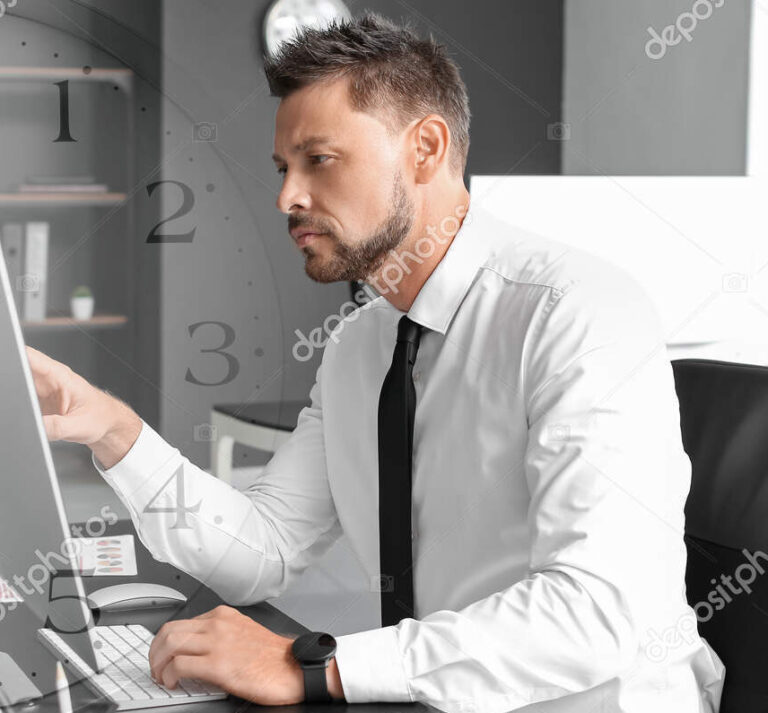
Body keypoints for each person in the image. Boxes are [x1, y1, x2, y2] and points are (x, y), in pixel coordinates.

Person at [27, 12, 725, 712]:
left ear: (424, 148)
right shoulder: (361, 344)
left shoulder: (575, 311)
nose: (286, 197)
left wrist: (313, 667)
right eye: (282, 168)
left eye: (319, 160)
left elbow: (599, 611)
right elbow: (264, 549)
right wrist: (115, 431)